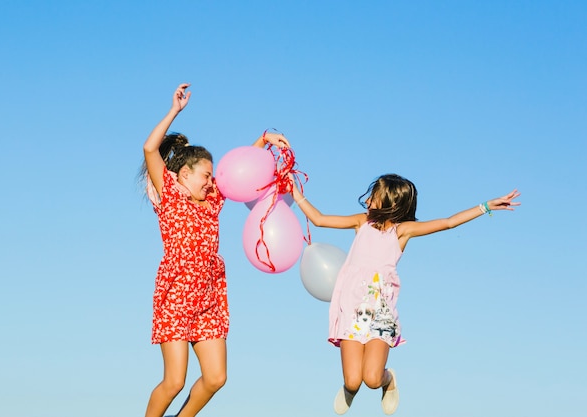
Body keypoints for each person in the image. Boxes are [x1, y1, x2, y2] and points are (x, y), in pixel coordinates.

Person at [291, 173, 520, 415]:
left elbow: (448, 222)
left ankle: (388, 379)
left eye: (374, 196)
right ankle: (350, 388)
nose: (368, 199)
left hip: (380, 314)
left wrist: (485, 206)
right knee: (352, 381)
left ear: (389, 201)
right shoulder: (362, 222)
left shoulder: (402, 231)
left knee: (371, 378)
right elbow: (318, 219)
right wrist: (293, 190)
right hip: (351, 309)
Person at [141, 83, 289, 417]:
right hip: (176, 295)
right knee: (174, 381)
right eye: (206, 175)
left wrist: (264, 140)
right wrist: (174, 111)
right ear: (183, 174)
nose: (211, 182)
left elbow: (241, 172)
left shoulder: (212, 202)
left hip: (209, 297)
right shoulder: (171, 196)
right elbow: (150, 150)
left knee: (216, 377)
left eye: (212, 177)